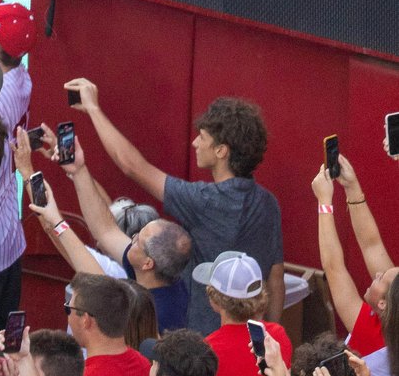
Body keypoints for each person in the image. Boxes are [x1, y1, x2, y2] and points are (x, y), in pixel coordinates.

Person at [65, 83, 283, 332]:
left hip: (198, 341)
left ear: (221, 151)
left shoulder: (204, 200)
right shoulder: (269, 204)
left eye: (202, 137)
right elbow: (275, 281)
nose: (194, 143)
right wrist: (269, 338)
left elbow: (132, 166)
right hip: (250, 342)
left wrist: (93, 109)